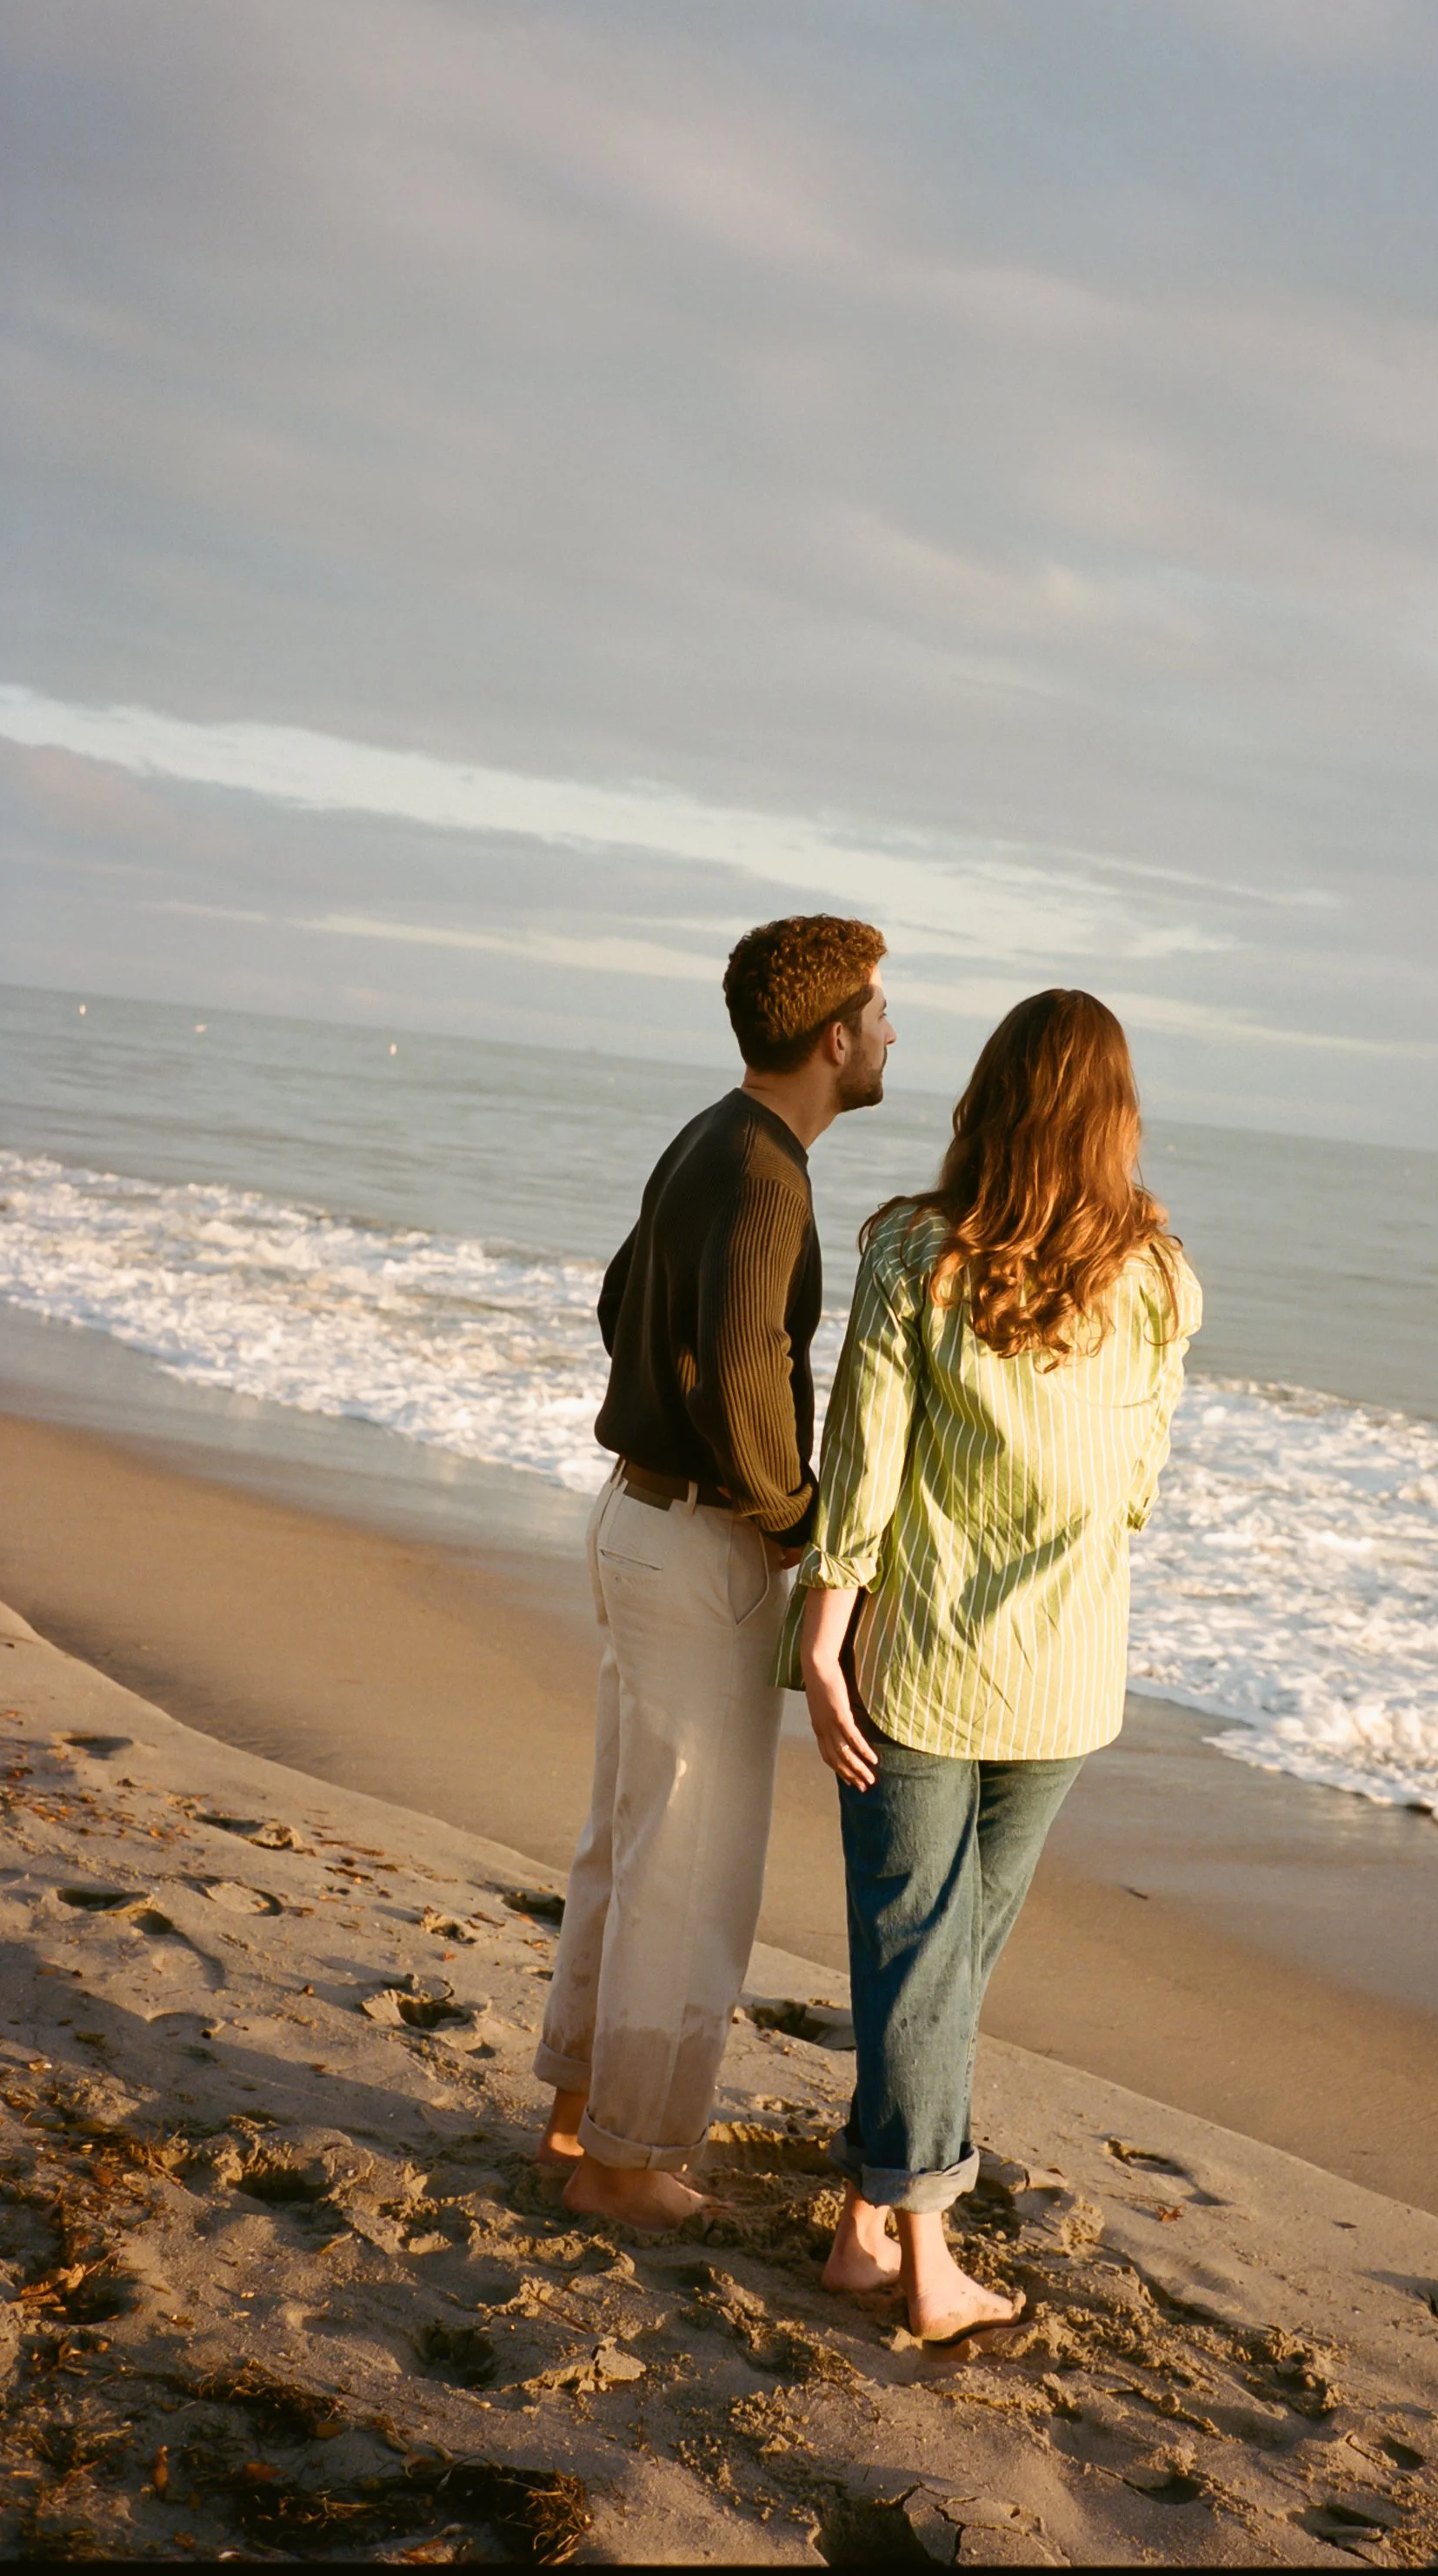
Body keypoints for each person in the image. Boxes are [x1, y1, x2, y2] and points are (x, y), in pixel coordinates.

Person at [785, 989, 1202, 2340]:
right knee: (949, 1954)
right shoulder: (1160, 1284)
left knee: (918, 1948)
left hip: (925, 1661)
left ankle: (914, 2250)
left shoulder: (917, 1253)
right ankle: (883, 2236)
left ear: (992, 1097)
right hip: (1069, 1676)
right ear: (1115, 1117)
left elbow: (867, 1464)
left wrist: (822, 1635)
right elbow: (1135, 1490)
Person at [533, 914, 895, 2230]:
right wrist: (800, 1532)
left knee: (625, 1847)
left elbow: (619, 1296)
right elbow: (750, 1382)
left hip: (636, 1514)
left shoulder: (709, 1137)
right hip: (694, 1539)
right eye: (880, 1010)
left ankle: (582, 2121)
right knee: (686, 1866)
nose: (893, 1032)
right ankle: (625, 2167)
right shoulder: (767, 1174)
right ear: (832, 1035)